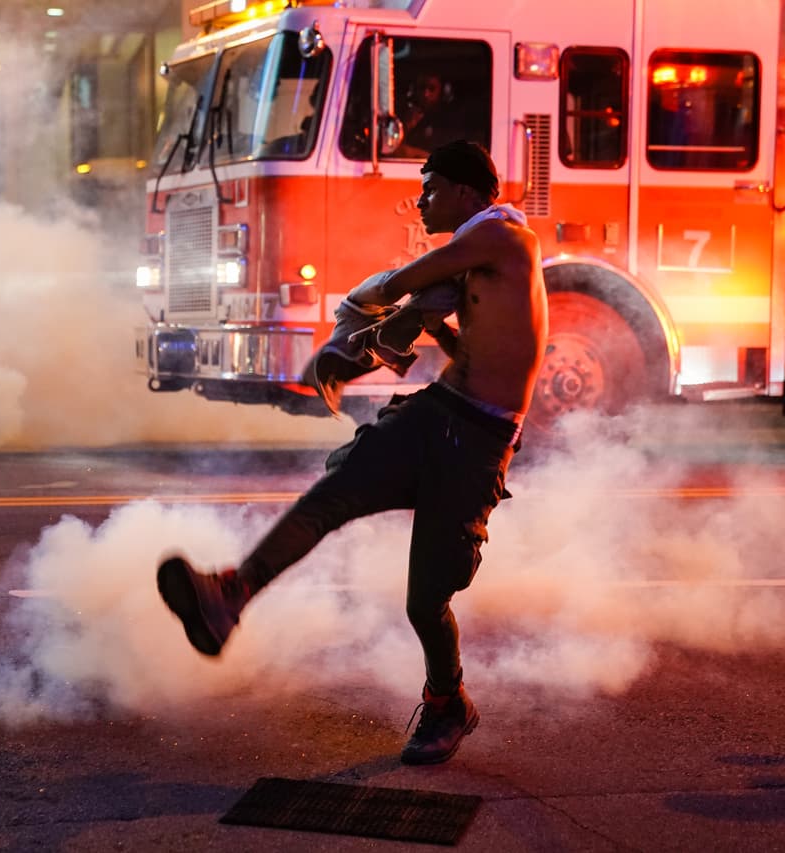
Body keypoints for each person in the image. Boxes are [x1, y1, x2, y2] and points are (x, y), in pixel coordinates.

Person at [156, 140, 548, 765]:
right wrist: (391, 337)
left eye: (431, 187)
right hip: (435, 414)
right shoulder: (472, 264)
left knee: (426, 601)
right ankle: (229, 596)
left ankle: (448, 702)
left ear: (469, 193)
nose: (418, 199)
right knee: (329, 499)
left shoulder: (504, 238)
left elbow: (402, 283)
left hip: (479, 438)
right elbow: (449, 332)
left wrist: (367, 312)